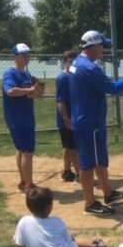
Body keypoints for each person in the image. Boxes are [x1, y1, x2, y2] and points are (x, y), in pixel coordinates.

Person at [70, 30, 123, 216]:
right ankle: (90, 203)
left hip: (88, 120)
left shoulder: (77, 63)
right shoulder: (89, 68)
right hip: (89, 123)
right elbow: (114, 88)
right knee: (88, 164)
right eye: (102, 46)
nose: (103, 50)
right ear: (93, 46)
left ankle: (108, 193)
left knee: (99, 160)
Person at [0, 187, 106, 247]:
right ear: (49, 207)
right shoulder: (57, 221)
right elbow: (70, 242)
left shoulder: (23, 222)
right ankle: (95, 246)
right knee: (72, 243)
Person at [3, 43, 42, 193]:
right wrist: (31, 89)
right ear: (14, 56)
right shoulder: (10, 73)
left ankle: (23, 181)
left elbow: (28, 94)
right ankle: (29, 186)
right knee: (28, 152)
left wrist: (34, 93)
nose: (27, 57)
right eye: (23, 55)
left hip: (25, 117)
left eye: (28, 55)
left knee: (21, 150)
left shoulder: (26, 74)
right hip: (19, 119)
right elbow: (10, 91)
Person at [55, 50, 79, 182]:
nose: (72, 64)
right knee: (72, 147)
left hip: (75, 116)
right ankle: (79, 174)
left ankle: (67, 171)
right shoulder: (63, 77)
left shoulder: (75, 74)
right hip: (67, 118)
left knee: (69, 146)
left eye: (75, 62)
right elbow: (60, 100)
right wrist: (66, 118)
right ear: (64, 62)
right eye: (70, 61)